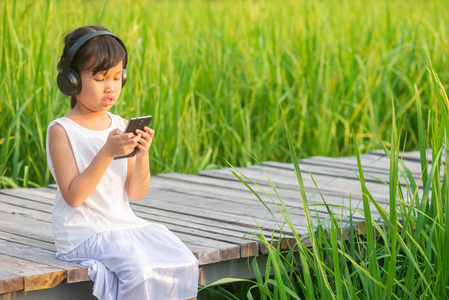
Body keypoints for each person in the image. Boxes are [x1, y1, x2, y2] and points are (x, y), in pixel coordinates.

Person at [46, 25, 199, 300]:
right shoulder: (62, 130)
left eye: (117, 77)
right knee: (140, 270)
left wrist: (142, 155)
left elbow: (136, 193)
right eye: (101, 78)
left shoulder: (118, 125)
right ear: (72, 81)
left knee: (185, 261)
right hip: (82, 233)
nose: (111, 87)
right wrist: (106, 153)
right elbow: (73, 196)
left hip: (123, 225)